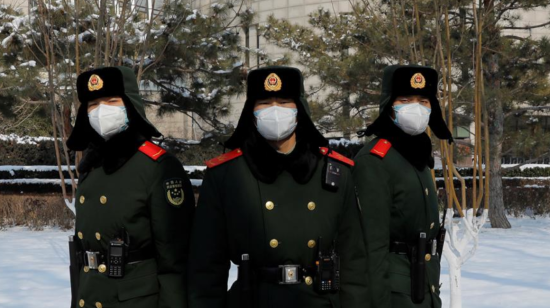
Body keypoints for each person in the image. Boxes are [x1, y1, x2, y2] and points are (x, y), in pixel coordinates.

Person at [188, 66, 368, 308]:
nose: (275, 111)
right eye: (264, 102)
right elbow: (206, 266)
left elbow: (354, 261)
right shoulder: (226, 174)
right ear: (250, 110)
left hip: (318, 300)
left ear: (299, 109)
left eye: (284, 101)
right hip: (253, 299)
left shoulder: (334, 172)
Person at [66, 66, 195, 308]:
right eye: (93, 103)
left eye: (112, 100)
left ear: (130, 104)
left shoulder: (157, 167)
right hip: (90, 294)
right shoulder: (92, 165)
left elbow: (175, 261)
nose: (101, 109)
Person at [353, 65, 453, 308]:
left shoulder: (418, 153)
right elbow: (371, 246)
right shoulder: (375, 160)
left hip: (424, 285)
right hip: (394, 292)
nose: (415, 107)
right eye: (405, 99)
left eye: (423, 100)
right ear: (389, 105)